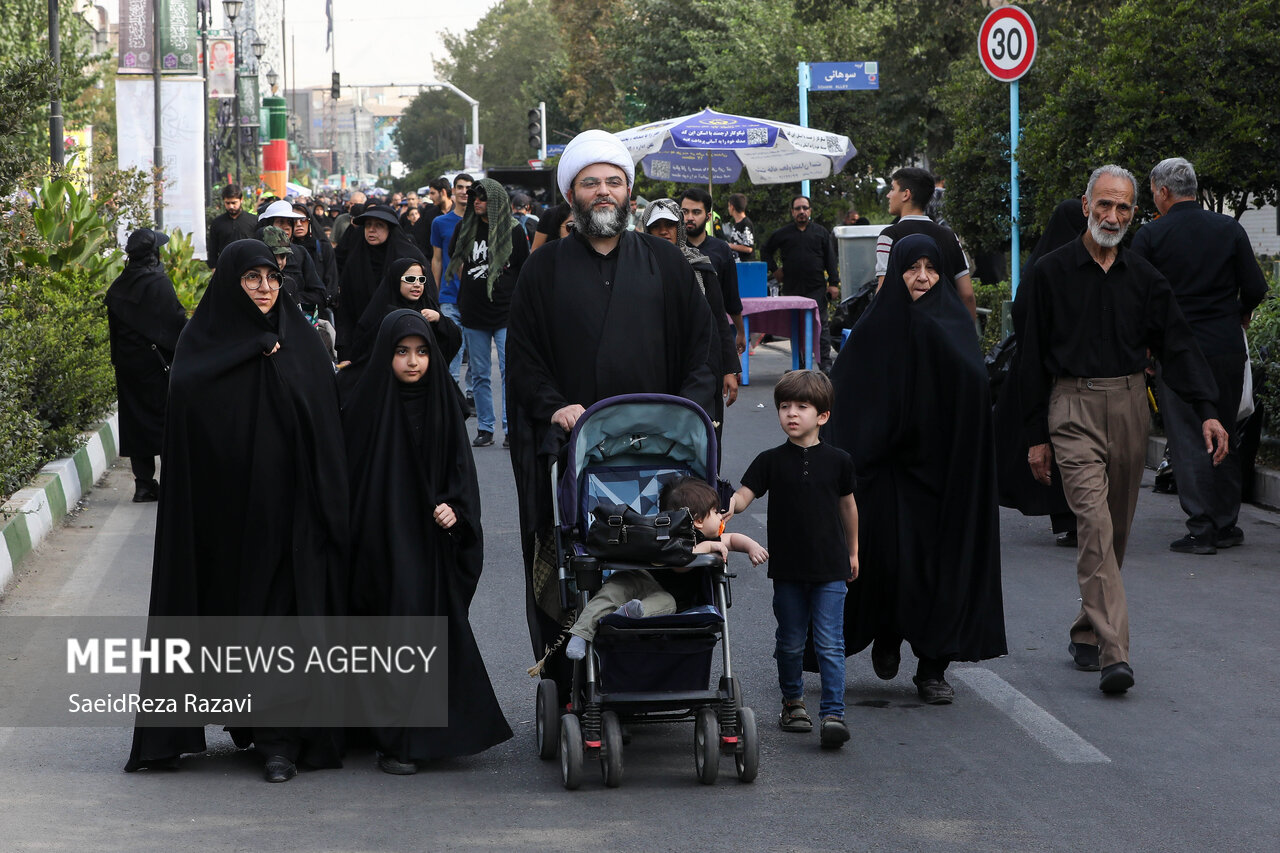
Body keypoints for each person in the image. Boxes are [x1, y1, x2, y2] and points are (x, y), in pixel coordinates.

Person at [125, 240, 350, 782]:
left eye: (271, 278)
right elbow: (188, 413)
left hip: (296, 520)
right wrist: (246, 358)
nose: (266, 289)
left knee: (285, 626)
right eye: (252, 279)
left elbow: (327, 422)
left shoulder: (300, 343)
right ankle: (252, 726)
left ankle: (278, 740)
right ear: (231, 282)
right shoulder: (202, 350)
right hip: (226, 524)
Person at [505, 128, 717, 694]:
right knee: (575, 558)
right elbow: (523, 359)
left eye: (614, 181)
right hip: (580, 457)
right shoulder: (542, 269)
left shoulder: (667, 262)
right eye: (591, 181)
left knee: (675, 557)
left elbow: (702, 349)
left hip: (662, 456)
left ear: (629, 192)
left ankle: (668, 666)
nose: (604, 191)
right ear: (571, 193)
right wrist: (554, 408)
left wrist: (686, 414)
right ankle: (575, 675)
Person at [1020, 165, 1229, 694]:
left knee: (1115, 531)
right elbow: (1030, 362)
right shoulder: (1050, 273)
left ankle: (1088, 630)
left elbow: (1177, 344)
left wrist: (1207, 408)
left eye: (1125, 207)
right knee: (1092, 523)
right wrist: (1034, 436)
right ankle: (1116, 653)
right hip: (1071, 406)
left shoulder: (1145, 278)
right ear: (1086, 204)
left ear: (1137, 213)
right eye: (1105, 204)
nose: (1113, 215)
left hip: (1132, 403)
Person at [829, 233, 1007, 705]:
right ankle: (887, 633)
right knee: (883, 564)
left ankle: (933, 666)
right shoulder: (875, 328)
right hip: (885, 475)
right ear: (897, 271)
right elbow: (846, 400)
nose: (923, 277)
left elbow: (973, 397)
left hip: (941, 477)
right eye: (913, 267)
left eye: (932, 268)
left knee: (937, 569)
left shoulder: (955, 327)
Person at [342, 309, 512, 775]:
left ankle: (413, 739)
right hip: (380, 542)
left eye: (421, 352)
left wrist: (455, 509)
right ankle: (392, 737)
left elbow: (462, 475)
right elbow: (351, 476)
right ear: (386, 355)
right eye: (402, 352)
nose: (413, 362)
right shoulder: (366, 405)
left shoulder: (443, 405)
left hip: (430, 544)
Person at [1130, 157, 1268, 554]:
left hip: (1178, 351)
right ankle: (1227, 523)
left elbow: (1138, 297)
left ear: (1162, 192)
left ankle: (1201, 527)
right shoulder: (1228, 228)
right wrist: (1239, 314)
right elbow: (1256, 286)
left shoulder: (1152, 236)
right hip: (1225, 347)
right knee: (1226, 429)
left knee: (1189, 436)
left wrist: (1148, 345)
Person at [726, 370, 858, 749]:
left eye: (802, 406)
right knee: (789, 642)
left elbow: (849, 507)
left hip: (831, 567)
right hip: (787, 570)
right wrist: (727, 508)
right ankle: (793, 702)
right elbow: (745, 494)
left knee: (830, 643)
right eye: (784, 406)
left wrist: (854, 550)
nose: (791, 413)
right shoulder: (769, 461)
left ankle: (833, 714)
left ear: (823, 416)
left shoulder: (839, 461)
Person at [565, 476, 767, 661]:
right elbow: (679, 563)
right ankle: (581, 633)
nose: (720, 517)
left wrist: (752, 547)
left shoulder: (711, 537)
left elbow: (732, 538)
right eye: (715, 512)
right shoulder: (664, 534)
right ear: (697, 520)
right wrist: (706, 547)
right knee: (610, 591)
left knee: (664, 603)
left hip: (665, 594)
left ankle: (628, 614)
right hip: (638, 576)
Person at [994, 199, 1086, 547]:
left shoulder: (1042, 266)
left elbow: (1022, 312)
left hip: (1040, 371)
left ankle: (1068, 518)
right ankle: (1081, 518)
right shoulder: (1072, 266)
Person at [643, 198, 740, 446]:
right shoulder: (636, 268)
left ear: (680, 229)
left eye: (670, 225)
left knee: (701, 435)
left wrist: (728, 369)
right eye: (657, 226)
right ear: (647, 229)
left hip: (701, 363)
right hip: (654, 366)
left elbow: (718, 319)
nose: (664, 231)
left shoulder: (700, 266)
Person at [104, 228, 188, 502]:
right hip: (157, 366)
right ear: (153, 254)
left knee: (137, 424)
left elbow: (114, 332)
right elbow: (175, 323)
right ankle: (172, 485)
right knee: (165, 423)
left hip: (128, 367)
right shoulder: (158, 284)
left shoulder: (119, 286)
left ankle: (143, 485)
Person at [446, 178, 530, 448]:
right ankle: (485, 427)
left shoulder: (514, 230)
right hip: (473, 312)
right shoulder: (463, 227)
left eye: (481, 197)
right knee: (480, 373)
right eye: (473, 197)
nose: (476, 201)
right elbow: (457, 260)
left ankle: (510, 428)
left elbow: (522, 268)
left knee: (510, 372)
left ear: (495, 200)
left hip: (507, 311)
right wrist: (471, 288)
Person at [876, 167, 977, 321]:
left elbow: (883, 293)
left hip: (905, 333)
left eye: (892, 189)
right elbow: (967, 294)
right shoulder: (949, 236)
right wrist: (966, 335)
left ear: (906, 194)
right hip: (944, 332)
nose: (889, 195)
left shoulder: (889, 236)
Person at [335, 203, 426, 359]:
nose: (371, 229)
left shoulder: (407, 257)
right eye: (368, 225)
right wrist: (345, 347)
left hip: (401, 340)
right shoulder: (356, 259)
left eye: (379, 225)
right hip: (361, 340)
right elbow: (346, 307)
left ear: (389, 228)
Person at [760, 196, 840, 371]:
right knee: (796, 328)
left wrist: (834, 283)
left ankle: (825, 364)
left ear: (810, 211)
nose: (801, 211)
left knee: (822, 326)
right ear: (792, 212)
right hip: (792, 289)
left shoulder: (821, 232)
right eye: (798, 209)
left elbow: (831, 260)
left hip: (816, 288)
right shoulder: (783, 233)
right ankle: (800, 366)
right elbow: (765, 250)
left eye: (805, 208)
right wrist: (775, 270)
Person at [681, 188, 745, 356]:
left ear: (708, 216)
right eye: (685, 212)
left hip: (712, 333)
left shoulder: (721, 249)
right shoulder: (671, 248)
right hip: (678, 332)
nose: (689, 217)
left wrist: (741, 332)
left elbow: (731, 296)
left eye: (696, 212)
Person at [431, 173, 474, 398]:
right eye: (460, 187)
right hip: (449, 295)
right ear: (453, 191)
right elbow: (437, 259)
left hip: (476, 298)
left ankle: (471, 394)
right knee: (454, 347)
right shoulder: (440, 223)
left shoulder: (482, 222)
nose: (464, 191)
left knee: (474, 350)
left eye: (468, 187)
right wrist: (435, 293)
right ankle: (452, 394)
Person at [206, 185, 258, 271]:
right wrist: (214, 268)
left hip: (250, 267)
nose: (231, 206)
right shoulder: (217, 223)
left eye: (234, 203)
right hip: (225, 268)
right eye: (228, 203)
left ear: (241, 200)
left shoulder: (254, 221)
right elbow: (212, 248)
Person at [723, 193, 757, 262]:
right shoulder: (737, 224)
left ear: (732, 207)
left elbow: (749, 248)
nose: (728, 208)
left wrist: (729, 245)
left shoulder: (746, 223)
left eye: (729, 206)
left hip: (746, 265)